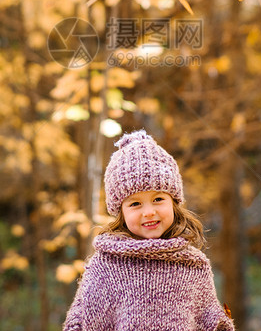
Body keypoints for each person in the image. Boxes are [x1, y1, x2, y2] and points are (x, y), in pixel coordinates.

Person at [63, 129, 235, 331]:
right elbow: (79, 324)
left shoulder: (193, 266)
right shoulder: (104, 266)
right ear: (121, 213)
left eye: (158, 199)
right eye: (135, 204)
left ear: (174, 202)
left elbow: (212, 322)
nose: (149, 212)